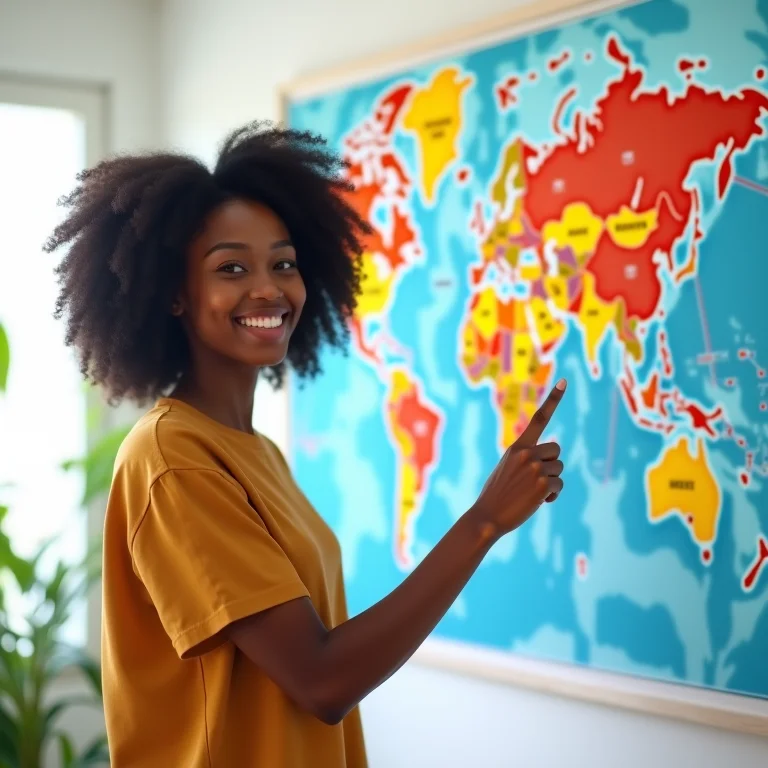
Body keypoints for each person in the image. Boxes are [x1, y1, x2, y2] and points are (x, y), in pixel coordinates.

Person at [46, 122, 567, 768]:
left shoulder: (256, 451)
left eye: (284, 264)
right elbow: (322, 680)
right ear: (175, 295)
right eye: (231, 268)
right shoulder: (173, 458)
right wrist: (483, 522)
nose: (268, 289)